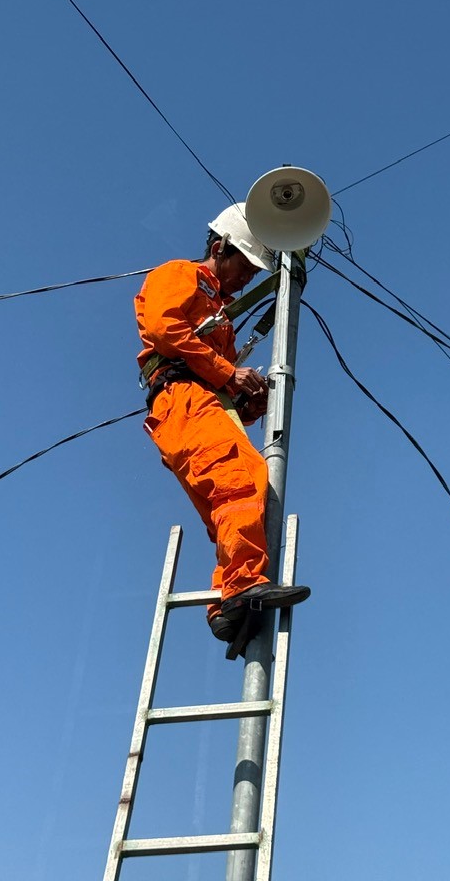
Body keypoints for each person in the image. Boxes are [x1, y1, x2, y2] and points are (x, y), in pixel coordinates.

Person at [135, 203, 311, 647]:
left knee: (229, 506)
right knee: (242, 480)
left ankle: (228, 605)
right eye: (245, 266)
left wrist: (251, 399)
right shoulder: (179, 274)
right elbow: (165, 329)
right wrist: (229, 373)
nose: (249, 277)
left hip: (199, 404)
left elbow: (224, 383)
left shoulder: (223, 318)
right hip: (183, 400)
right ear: (219, 249)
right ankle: (242, 585)